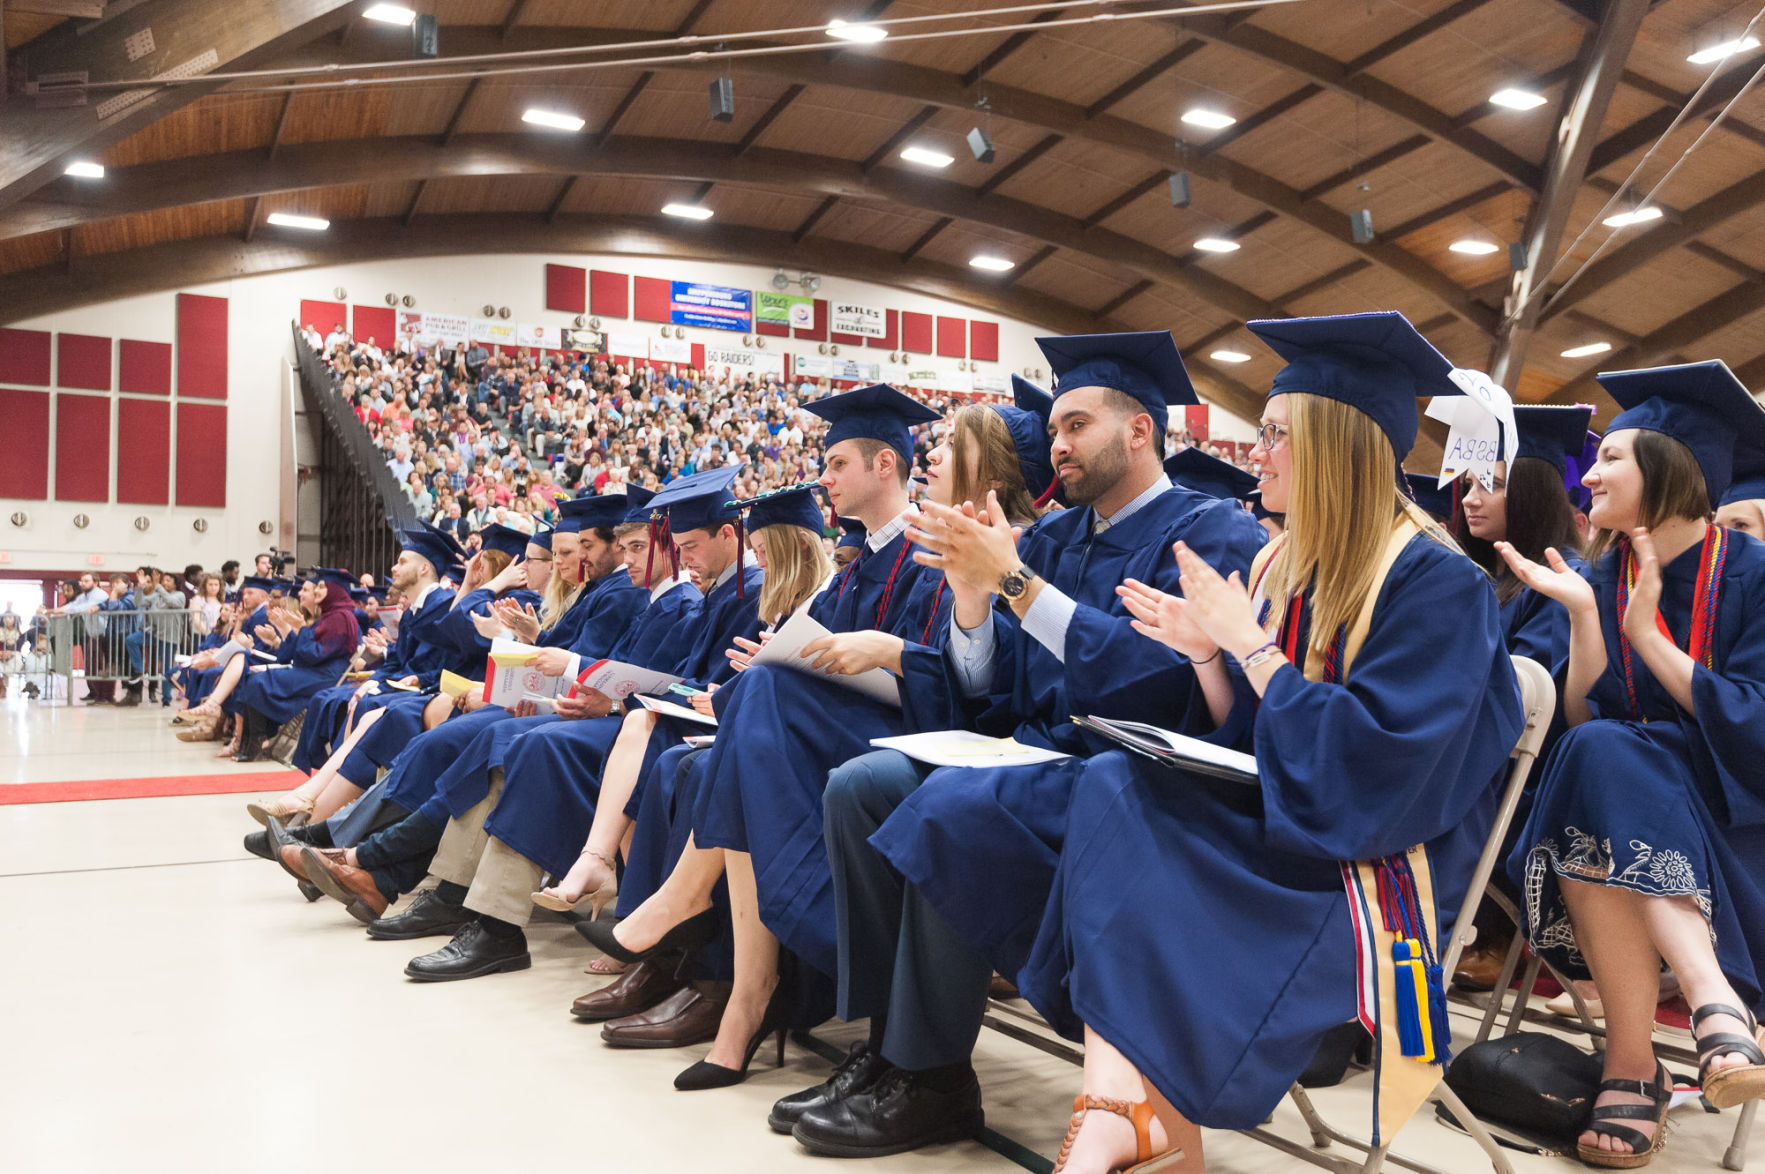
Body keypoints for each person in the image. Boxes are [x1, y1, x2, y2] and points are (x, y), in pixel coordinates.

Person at [895, 311, 1521, 1173]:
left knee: (1111, 811)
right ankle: (1132, 1111)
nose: (1254, 454)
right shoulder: (1281, 563)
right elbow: (1246, 732)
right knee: (1039, 801)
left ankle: (1128, 1112)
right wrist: (1209, 658)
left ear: (1335, 448)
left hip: (1360, 874)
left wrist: (1250, 648)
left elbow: (1380, 771)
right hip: (1272, 824)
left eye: (1272, 436)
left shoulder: (1436, 580)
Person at [787, 333, 1267, 1157]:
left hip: (1134, 776)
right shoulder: (1053, 539)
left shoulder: (1207, 531)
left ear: (1139, 432)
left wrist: (1013, 583)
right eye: (1055, 429)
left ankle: (931, 1074)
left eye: (1076, 426)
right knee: (860, 783)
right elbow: (986, 689)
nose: (1057, 445)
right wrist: (972, 600)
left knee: (949, 806)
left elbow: (1160, 683)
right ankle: (883, 1043)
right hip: (1037, 754)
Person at [1499, 360, 1765, 1167]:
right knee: (1597, 752)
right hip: (1627, 810)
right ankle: (1713, 1005)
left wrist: (1652, 641)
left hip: (1737, 826)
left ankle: (1631, 1067)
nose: (1590, 472)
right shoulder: (1602, 576)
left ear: (1669, 465)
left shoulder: (1755, 575)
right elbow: (1587, 720)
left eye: (1611, 455)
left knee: (1601, 786)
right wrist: (1585, 616)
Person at [1445, 403, 1593, 992]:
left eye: (1494, 484)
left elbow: (1533, 692)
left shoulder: (1559, 578)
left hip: (1520, 772)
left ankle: (1488, 931)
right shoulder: (1479, 575)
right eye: (1471, 483)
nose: (1472, 498)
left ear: (1533, 493)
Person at [226, 570, 359, 763]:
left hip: (326, 676)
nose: (317, 591)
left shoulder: (341, 618)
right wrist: (295, 631)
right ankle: (250, 740)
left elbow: (314, 654)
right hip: (315, 671)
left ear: (335, 590)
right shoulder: (330, 615)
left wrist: (300, 629)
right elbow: (301, 653)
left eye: (322, 587)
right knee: (252, 679)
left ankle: (256, 741)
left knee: (258, 682)